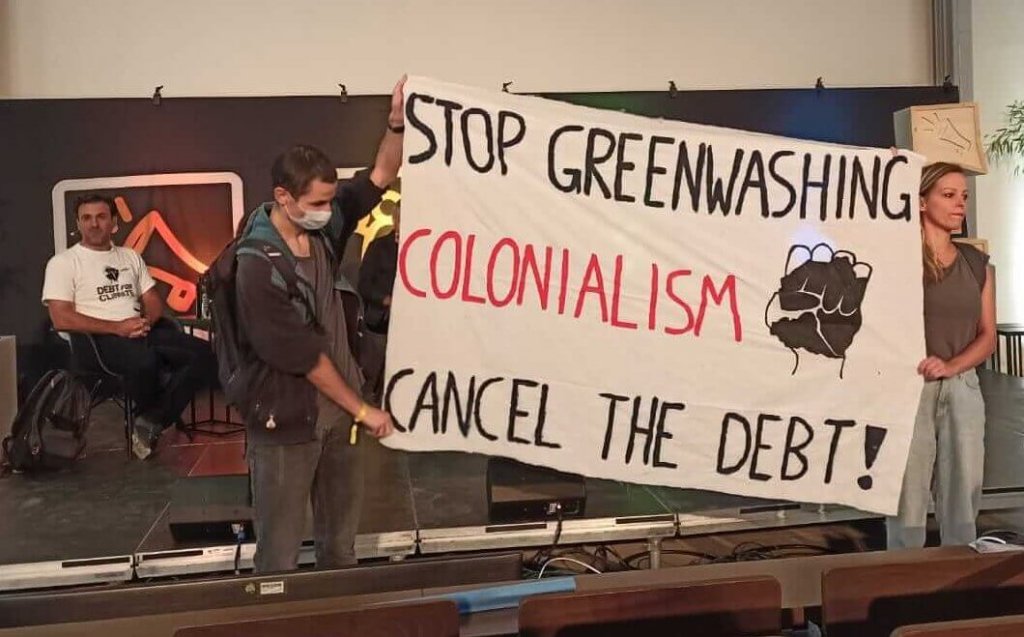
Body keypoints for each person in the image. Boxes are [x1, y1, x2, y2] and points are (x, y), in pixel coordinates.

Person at [232, 77, 404, 573]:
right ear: (284, 197)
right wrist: (365, 409)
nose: (328, 212)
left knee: (340, 552)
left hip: (341, 422)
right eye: (317, 203)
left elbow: (381, 174)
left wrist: (395, 123)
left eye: (331, 201)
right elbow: (302, 356)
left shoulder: (325, 227)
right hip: (286, 422)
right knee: (280, 557)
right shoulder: (257, 266)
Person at [42, 194, 216, 459]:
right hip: (96, 341)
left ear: (113, 222)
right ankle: (153, 417)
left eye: (101, 217)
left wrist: (144, 322)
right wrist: (118, 328)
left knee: (206, 355)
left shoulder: (130, 257)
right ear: (78, 223)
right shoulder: (63, 263)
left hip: (139, 330)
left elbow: (152, 300)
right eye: (86, 218)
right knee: (146, 361)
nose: (94, 224)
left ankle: (152, 418)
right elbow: (61, 318)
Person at [886, 162, 997, 549]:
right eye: (948, 195)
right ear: (920, 202)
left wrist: (951, 365)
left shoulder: (976, 263)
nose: (960, 204)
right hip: (909, 386)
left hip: (963, 385)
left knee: (964, 495)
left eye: (963, 196)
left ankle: (955, 589)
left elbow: (988, 337)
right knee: (906, 495)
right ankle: (899, 586)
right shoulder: (897, 258)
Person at [357, 200, 400, 404]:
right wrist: (386, 299)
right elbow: (363, 285)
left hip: (410, 327)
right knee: (372, 376)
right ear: (395, 219)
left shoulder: (423, 249)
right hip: (379, 324)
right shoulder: (379, 246)